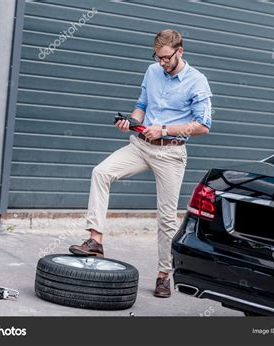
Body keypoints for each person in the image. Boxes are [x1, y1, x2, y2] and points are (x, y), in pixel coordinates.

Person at [69, 29, 212, 298]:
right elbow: (141, 105)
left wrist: (165, 130)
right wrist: (131, 123)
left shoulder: (197, 82)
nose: (161, 63)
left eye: (166, 58)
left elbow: (203, 126)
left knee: (166, 219)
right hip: (140, 145)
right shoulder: (152, 71)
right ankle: (96, 239)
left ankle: (163, 276)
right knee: (101, 172)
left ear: (180, 52)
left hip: (171, 152)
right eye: (157, 58)